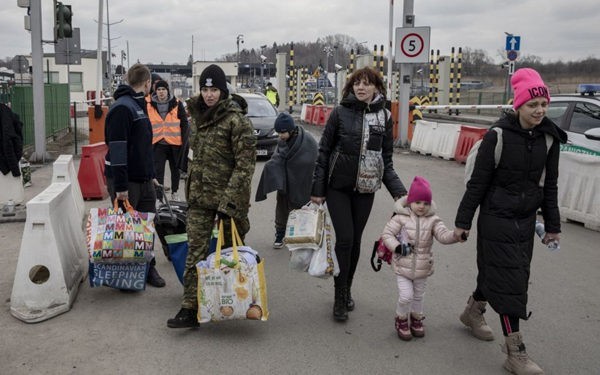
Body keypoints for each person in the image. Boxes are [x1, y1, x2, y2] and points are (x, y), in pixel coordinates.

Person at [454, 68, 567, 375]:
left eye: (544, 104)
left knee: (499, 274)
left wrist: (553, 226)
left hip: (526, 221)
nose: (540, 110)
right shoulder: (497, 136)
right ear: (518, 105)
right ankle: (515, 353)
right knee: (511, 282)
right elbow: (477, 184)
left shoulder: (549, 139)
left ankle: (473, 312)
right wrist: (463, 222)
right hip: (495, 219)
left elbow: (550, 185)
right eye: (533, 105)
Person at [310, 66, 407, 322]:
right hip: (337, 187)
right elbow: (323, 152)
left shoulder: (384, 117)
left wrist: (401, 194)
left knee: (355, 242)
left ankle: (347, 287)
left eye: (366, 83)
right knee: (345, 239)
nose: (361, 88)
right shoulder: (339, 113)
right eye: (357, 83)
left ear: (377, 87)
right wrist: (317, 189)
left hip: (366, 189)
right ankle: (339, 296)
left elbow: (385, 160)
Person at [167, 64, 256, 328]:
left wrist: (228, 202)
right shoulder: (196, 119)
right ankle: (189, 308)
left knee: (230, 254)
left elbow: (245, 166)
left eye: (214, 89)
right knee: (195, 253)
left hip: (228, 202)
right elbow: (194, 157)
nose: (208, 95)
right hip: (199, 200)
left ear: (223, 90)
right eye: (205, 89)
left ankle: (233, 301)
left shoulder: (237, 121)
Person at [104, 63, 166, 288]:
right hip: (126, 181)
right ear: (148, 83)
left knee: (145, 228)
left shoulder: (138, 106)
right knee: (126, 231)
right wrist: (121, 187)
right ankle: (126, 274)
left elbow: (141, 147)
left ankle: (148, 268)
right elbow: (118, 150)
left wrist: (151, 175)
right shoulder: (123, 108)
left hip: (143, 179)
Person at [381, 176, 459, 340]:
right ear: (410, 202)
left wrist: (456, 236)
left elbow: (443, 235)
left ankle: (416, 319)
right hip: (403, 266)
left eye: (426, 203)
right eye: (418, 202)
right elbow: (387, 234)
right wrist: (397, 247)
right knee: (406, 296)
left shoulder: (433, 220)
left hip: (422, 268)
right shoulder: (400, 217)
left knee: (418, 296)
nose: (422, 207)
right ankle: (401, 319)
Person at [255, 112, 318, 248]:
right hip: (286, 184)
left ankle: (302, 237)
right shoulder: (282, 141)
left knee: (302, 210)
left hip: (303, 183)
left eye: (282, 133)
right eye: (278, 133)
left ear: (291, 130)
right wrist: (271, 166)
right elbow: (279, 157)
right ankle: (280, 235)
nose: (280, 136)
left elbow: (313, 161)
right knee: (282, 210)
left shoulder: (308, 140)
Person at [147, 79, 188, 201]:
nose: (161, 92)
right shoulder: (149, 104)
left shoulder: (176, 103)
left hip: (174, 143)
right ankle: (159, 197)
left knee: (175, 170)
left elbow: (184, 123)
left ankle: (174, 193)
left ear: (167, 91)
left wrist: (184, 141)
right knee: (158, 171)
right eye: (159, 90)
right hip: (158, 143)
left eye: (163, 89)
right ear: (156, 91)